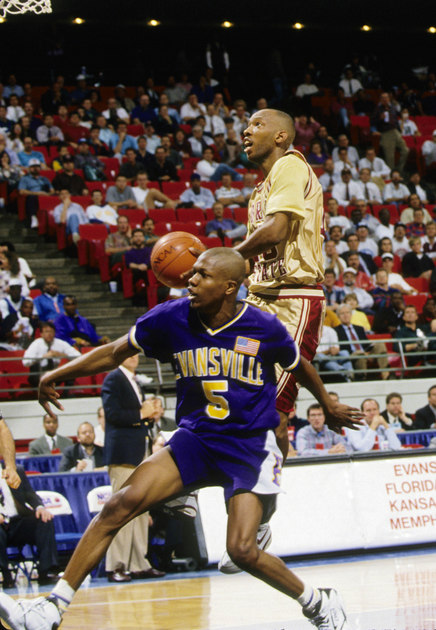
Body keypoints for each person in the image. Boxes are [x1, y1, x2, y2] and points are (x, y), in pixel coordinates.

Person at [0, 248, 362, 630]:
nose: (190, 280)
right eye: (192, 272)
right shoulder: (171, 317)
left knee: (241, 551)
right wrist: (56, 374)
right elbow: (114, 351)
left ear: (229, 288)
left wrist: (329, 403)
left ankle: (318, 601)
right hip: (196, 439)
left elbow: (298, 365)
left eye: (202, 275)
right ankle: (51, 608)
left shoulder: (263, 326)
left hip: (249, 446)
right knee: (118, 505)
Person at [102, 355, 165, 582]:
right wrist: (142, 414)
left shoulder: (134, 381)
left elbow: (136, 419)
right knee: (121, 508)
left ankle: (139, 562)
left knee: (141, 508)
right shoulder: (113, 379)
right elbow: (113, 414)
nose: (134, 357)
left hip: (140, 450)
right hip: (123, 454)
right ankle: (115, 565)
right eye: (129, 353)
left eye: (137, 353)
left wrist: (149, 418)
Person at [0, 464, 60, 588]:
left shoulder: (15, 470)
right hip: (1, 527)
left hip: (18, 522)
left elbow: (31, 495)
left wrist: (40, 507)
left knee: (44, 519)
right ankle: (6, 576)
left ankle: (46, 571)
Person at [335, 303, 389, 380]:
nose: (345, 315)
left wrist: (367, 351)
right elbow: (341, 348)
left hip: (364, 352)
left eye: (347, 313)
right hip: (351, 354)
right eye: (342, 313)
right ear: (338, 316)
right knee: (359, 354)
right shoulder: (336, 331)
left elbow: (366, 344)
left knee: (380, 344)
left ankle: (385, 374)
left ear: (351, 314)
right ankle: (362, 378)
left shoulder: (359, 328)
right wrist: (363, 353)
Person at [23, 321, 81, 388]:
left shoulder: (60, 343)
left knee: (69, 370)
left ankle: (66, 394)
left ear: (54, 333)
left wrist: (62, 355)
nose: (49, 334)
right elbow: (26, 362)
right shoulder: (36, 344)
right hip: (39, 374)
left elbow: (79, 356)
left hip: (55, 374)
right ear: (41, 334)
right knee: (35, 367)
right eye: (46, 332)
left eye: (51, 331)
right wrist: (43, 357)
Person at [371, 92, 409, 174]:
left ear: (389, 99)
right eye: (383, 98)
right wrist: (380, 118)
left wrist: (400, 127)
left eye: (386, 97)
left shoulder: (392, 107)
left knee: (405, 150)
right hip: (386, 133)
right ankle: (391, 174)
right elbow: (372, 122)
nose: (385, 99)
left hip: (396, 131)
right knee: (390, 157)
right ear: (380, 100)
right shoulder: (377, 109)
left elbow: (398, 116)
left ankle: (399, 170)